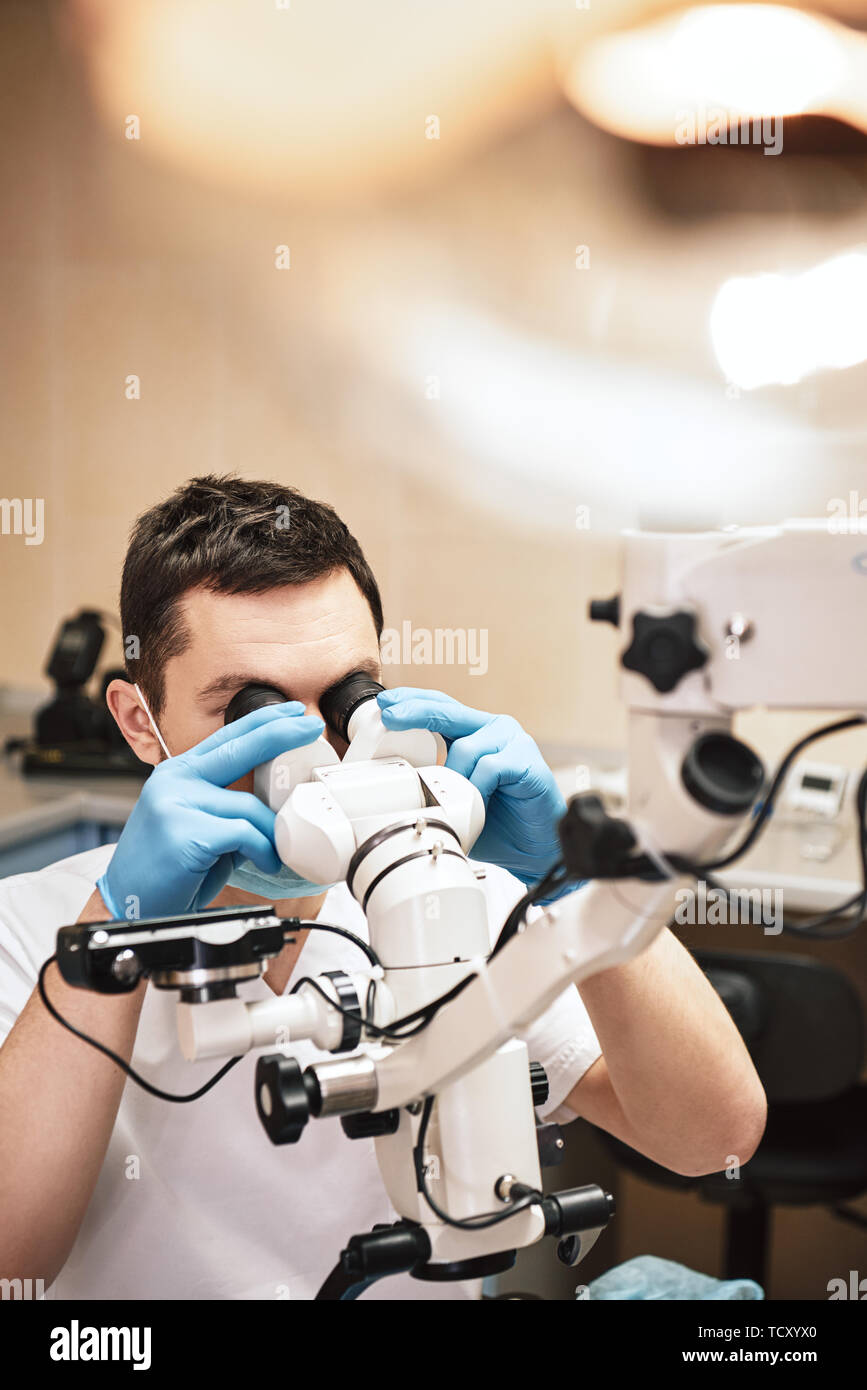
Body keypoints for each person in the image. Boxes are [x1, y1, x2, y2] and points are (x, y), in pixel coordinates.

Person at [0, 475, 767, 1300]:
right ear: (138, 721)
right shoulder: (32, 929)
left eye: (342, 699)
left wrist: (573, 883)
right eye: (247, 713)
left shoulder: (444, 887)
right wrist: (113, 931)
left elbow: (710, 1138)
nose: (311, 761)